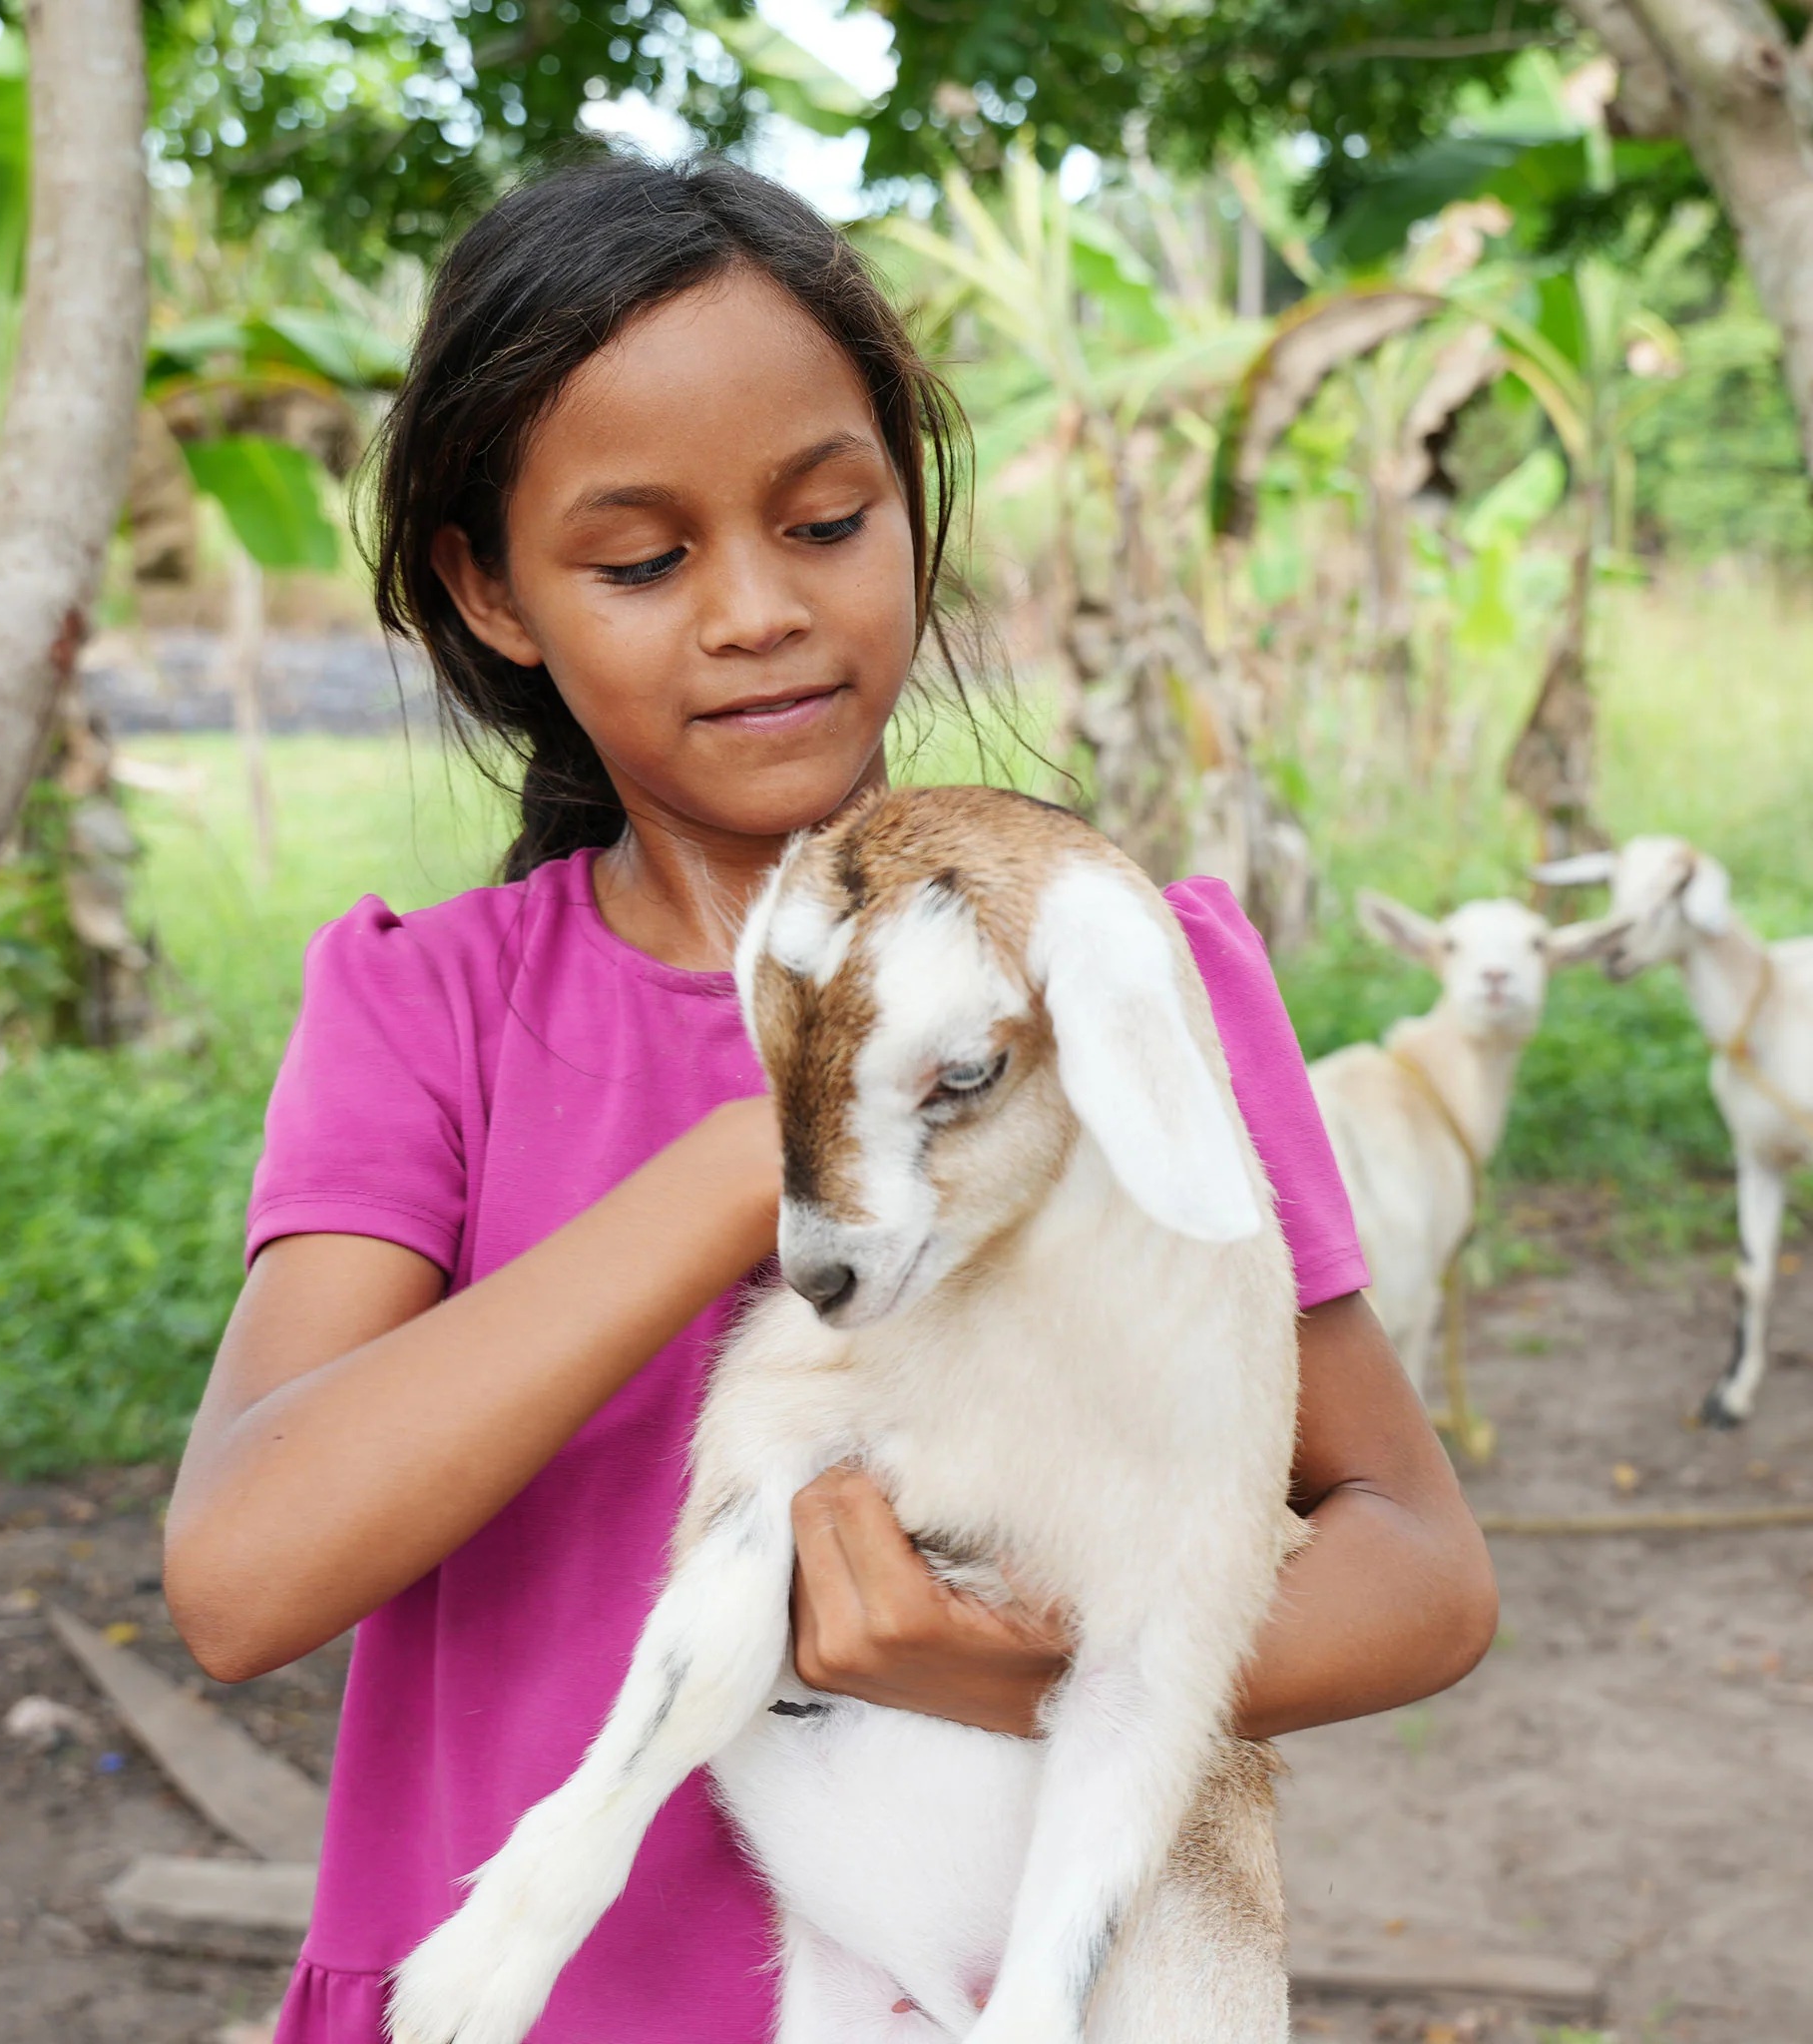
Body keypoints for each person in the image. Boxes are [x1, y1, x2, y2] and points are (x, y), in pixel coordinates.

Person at [163, 152, 1498, 2044]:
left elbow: (1417, 1570)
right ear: (493, 590)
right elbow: (242, 1578)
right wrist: (764, 1156)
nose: (755, 612)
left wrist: (996, 1664)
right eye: (643, 562)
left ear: (914, 518)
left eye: (825, 520)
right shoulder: (430, 1010)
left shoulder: (1116, 979)